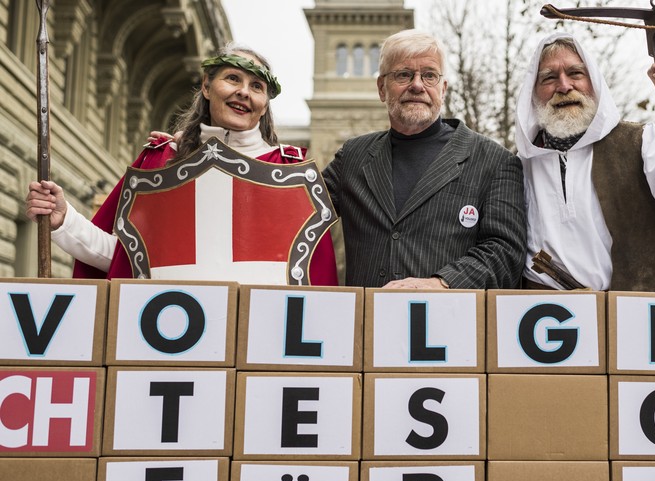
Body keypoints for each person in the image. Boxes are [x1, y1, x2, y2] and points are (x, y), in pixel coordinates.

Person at [25, 43, 338, 285]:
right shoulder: (163, 161)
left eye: (257, 86)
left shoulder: (290, 175)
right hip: (170, 342)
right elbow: (125, 259)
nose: (244, 91)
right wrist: (64, 220)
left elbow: (313, 279)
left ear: (265, 102)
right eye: (233, 78)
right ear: (206, 86)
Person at [516, 33, 655, 291]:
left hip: (631, 315)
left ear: (594, 83)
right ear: (533, 93)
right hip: (548, 318)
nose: (564, 85)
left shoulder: (638, 142)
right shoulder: (520, 165)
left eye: (575, 73)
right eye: (549, 77)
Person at [323, 29, 526, 289]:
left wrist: (441, 284)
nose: (417, 85)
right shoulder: (352, 157)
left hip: (450, 324)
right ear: (381, 88)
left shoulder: (495, 161)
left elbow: (505, 253)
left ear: (443, 89)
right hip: (367, 325)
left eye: (429, 75)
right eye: (403, 74)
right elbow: (297, 211)